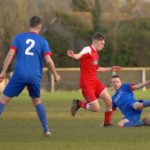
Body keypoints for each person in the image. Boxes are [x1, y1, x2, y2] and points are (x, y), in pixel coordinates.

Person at [0, 16, 60, 137]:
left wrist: (3, 72)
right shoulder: (43, 41)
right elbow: (48, 60)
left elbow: (11, 53)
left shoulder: (19, 38)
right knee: (37, 101)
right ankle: (46, 130)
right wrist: (55, 74)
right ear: (40, 27)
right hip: (34, 75)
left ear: (29, 25)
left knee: (3, 100)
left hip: (20, 73)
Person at [67, 32, 121, 126]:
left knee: (109, 101)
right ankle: (78, 103)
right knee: (96, 108)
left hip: (95, 82)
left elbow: (97, 68)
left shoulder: (95, 53)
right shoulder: (88, 49)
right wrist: (73, 55)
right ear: (96, 41)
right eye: (102, 43)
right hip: (86, 84)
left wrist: (111, 68)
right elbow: (79, 55)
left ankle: (107, 124)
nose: (103, 46)